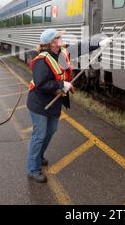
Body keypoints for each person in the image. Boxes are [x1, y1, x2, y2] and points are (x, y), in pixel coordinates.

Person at [26, 29, 111, 182]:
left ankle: (38, 155)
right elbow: (41, 84)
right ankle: (33, 169)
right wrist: (61, 84)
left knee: (51, 130)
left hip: (54, 101)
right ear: (51, 42)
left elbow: (81, 47)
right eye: (58, 37)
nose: (61, 39)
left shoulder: (62, 51)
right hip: (39, 103)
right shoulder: (40, 60)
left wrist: (99, 44)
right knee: (39, 135)